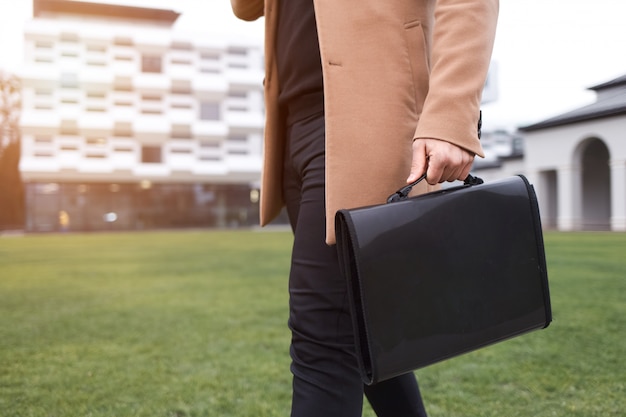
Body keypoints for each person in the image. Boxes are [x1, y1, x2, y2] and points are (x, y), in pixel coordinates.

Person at [230, 1, 499, 416]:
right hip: (294, 123)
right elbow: (245, 8)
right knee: (362, 325)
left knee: (323, 330)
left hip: (373, 113)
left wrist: (451, 113)